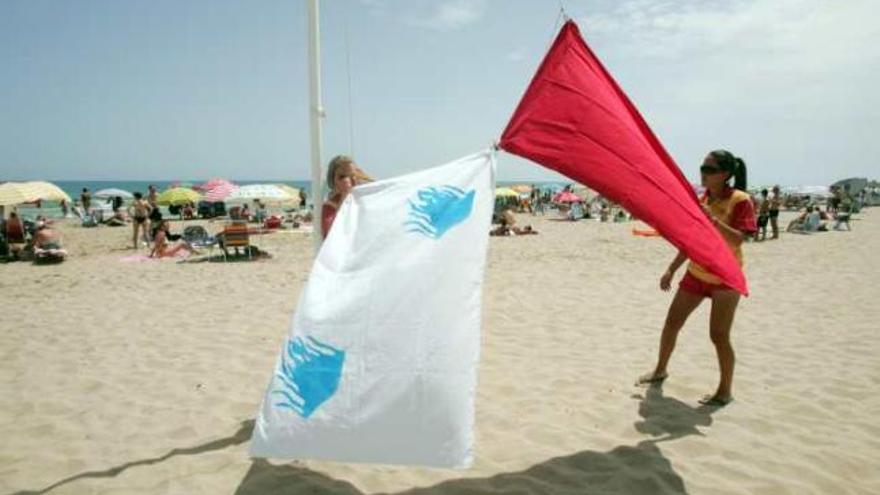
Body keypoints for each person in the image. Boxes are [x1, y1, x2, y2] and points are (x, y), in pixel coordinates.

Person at [637, 150, 756, 407]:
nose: (703, 173)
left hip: (726, 277)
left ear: (725, 175)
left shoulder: (740, 200)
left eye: (710, 169)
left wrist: (712, 220)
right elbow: (691, 240)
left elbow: (740, 238)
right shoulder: (702, 198)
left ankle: (724, 391)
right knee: (671, 324)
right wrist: (671, 269)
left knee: (718, 335)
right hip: (696, 272)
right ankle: (660, 370)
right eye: (702, 167)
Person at [321, 155, 359, 239]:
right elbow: (332, 237)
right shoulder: (328, 207)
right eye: (342, 177)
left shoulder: (360, 202)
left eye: (353, 175)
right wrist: (343, 197)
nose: (348, 180)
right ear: (332, 180)